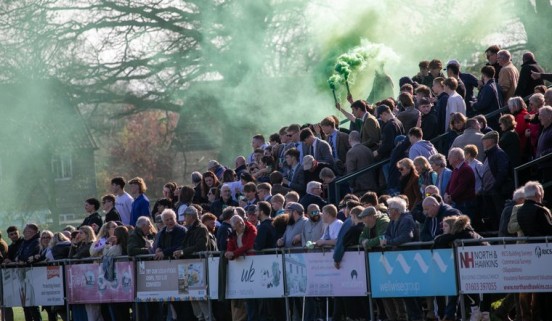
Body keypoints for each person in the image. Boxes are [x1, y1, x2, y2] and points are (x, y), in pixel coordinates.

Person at [380, 197, 422, 321]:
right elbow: (387, 234)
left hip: (408, 260)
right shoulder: (393, 221)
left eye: (390, 209)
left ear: (396, 210)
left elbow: (406, 237)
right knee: (404, 292)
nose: (388, 211)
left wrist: (389, 242)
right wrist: (388, 240)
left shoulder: (407, 219)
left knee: (410, 292)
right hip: (399, 260)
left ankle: (416, 317)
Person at [173, 206, 213, 321]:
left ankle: (207, 317)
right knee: (191, 297)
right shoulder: (190, 228)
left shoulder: (201, 228)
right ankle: (200, 318)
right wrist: (179, 251)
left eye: (185, 216)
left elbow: (201, 246)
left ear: (191, 216)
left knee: (200, 297)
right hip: (187, 266)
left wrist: (183, 251)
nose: (184, 218)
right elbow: (186, 245)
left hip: (196, 267)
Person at [104, 226, 131, 321]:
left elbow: (105, 256)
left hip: (116, 282)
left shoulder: (116, 248)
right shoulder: (128, 245)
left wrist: (107, 244)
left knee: (117, 310)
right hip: (127, 280)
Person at [445, 148, 476, 217]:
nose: (448, 158)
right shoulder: (456, 169)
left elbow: (462, 186)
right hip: (458, 202)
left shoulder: (465, 169)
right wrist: (446, 193)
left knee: (464, 225)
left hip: (465, 203)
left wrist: (450, 197)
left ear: (456, 158)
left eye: (450, 156)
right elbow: (449, 183)